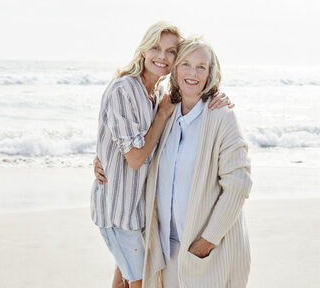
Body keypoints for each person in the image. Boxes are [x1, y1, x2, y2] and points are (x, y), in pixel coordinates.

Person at [91, 22, 232, 288]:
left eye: (171, 51)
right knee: (141, 283)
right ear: (143, 50)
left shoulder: (156, 93)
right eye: (156, 48)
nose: (162, 57)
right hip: (118, 211)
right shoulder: (124, 90)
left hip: (139, 210)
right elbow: (135, 158)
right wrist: (163, 114)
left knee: (122, 282)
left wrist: (218, 97)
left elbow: (115, 138)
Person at [142, 37, 252, 287]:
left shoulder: (222, 117)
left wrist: (207, 242)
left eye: (201, 67)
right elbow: (134, 145)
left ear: (211, 73)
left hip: (206, 250)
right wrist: (101, 160)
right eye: (186, 64)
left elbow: (239, 184)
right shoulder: (165, 112)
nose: (193, 73)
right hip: (167, 249)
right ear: (175, 69)